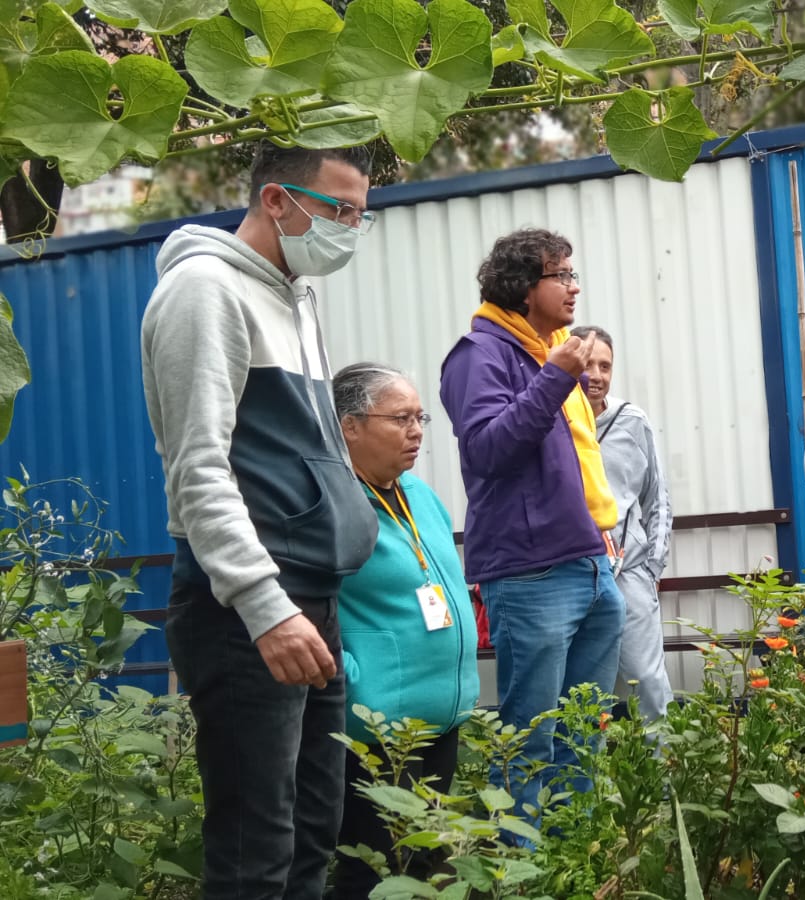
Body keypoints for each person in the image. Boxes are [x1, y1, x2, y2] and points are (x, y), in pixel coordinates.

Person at [140, 145, 379, 897]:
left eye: (359, 216)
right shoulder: (205, 290)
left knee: (315, 830)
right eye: (337, 209)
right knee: (256, 849)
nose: (348, 228)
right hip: (249, 610)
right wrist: (263, 606)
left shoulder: (295, 295)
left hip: (313, 599)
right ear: (276, 200)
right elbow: (198, 468)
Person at [438, 228, 624, 822]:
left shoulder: (555, 347)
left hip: (590, 563)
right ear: (523, 287)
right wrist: (553, 378)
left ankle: (574, 853)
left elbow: (574, 459)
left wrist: (600, 526)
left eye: (573, 274)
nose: (574, 287)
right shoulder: (479, 355)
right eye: (561, 276)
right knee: (530, 737)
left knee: (584, 732)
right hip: (531, 573)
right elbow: (488, 451)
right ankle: (520, 867)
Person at [330, 363, 480, 898]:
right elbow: (300, 604)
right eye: (400, 418)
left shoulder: (417, 492)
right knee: (373, 869)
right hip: (379, 730)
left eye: (420, 418)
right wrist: (352, 678)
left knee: (425, 859)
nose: (416, 430)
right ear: (349, 426)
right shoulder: (331, 503)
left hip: (440, 720)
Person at [570, 325, 675, 721]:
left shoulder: (631, 420)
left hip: (627, 570)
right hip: (571, 572)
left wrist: (652, 566)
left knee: (647, 681)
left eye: (605, 366)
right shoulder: (550, 421)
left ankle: (661, 778)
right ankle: (585, 778)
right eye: (587, 364)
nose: (596, 375)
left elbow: (657, 497)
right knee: (579, 688)